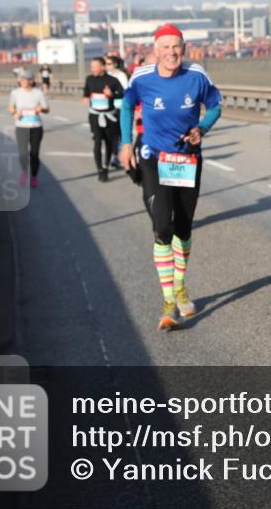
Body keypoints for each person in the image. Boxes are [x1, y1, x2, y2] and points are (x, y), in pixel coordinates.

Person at [119, 24, 223, 330]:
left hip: (187, 159)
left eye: (176, 46)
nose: (171, 53)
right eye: (165, 47)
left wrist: (201, 128)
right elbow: (126, 105)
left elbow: (216, 105)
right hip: (153, 158)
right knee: (162, 226)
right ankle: (168, 301)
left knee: (183, 227)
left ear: (184, 47)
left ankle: (180, 286)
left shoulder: (197, 75)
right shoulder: (142, 77)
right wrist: (126, 142)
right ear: (155, 50)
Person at [83, 57, 123, 182]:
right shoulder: (89, 79)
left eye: (95, 66)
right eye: (91, 67)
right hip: (95, 116)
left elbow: (123, 93)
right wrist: (85, 97)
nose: (92, 69)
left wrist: (112, 95)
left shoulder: (112, 80)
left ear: (102, 67)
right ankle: (100, 169)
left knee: (109, 143)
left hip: (110, 116)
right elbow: (86, 91)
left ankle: (105, 166)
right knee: (97, 142)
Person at [8, 68, 49, 188]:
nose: (23, 81)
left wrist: (41, 109)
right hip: (21, 127)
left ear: (31, 81)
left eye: (25, 79)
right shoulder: (15, 93)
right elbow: (11, 107)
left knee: (34, 154)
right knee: (22, 153)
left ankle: (34, 176)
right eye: (21, 79)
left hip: (36, 127)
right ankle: (25, 171)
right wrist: (15, 113)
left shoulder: (38, 93)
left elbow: (47, 108)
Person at [105, 54, 130, 169]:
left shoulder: (121, 75)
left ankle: (118, 157)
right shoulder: (106, 76)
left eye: (109, 64)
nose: (107, 66)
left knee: (120, 134)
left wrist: (113, 95)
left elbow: (125, 92)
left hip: (120, 108)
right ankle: (115, 155)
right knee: (111, 135)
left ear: (115, 64)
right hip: (108, 109)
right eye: (105, 64)